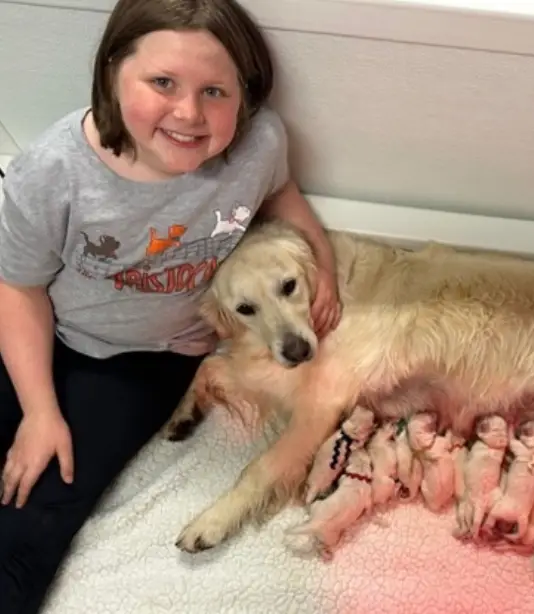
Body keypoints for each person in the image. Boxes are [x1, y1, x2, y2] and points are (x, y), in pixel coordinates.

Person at [0, 0, 341, 611]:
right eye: (162, 83)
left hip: (145, 361)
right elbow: (17, 289)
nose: (188, 113)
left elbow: (283, 191)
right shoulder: (54, 170)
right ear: (112, 73)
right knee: (29, 440)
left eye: (215, 90)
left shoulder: (258, 144)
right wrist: (39, 411)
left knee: (37, 517)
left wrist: (326, 272)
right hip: (39, 331)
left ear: (247, 95)